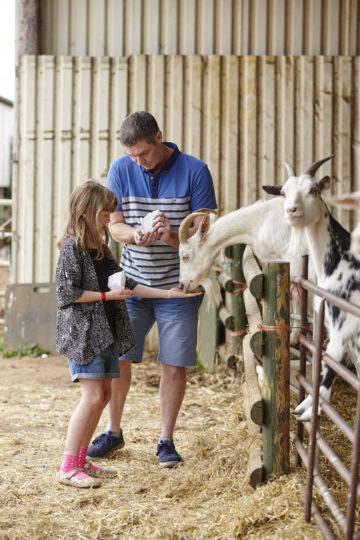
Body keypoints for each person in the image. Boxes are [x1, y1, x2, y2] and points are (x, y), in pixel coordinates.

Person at [87, 111, 217, 467]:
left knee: (173, 364)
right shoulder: (120, 169)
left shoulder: (195, 171)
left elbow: (206, 237)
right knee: (119, 360)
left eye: (143, 154)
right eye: (131, 156)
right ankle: (113, 433)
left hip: (181, 285)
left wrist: (169, 236)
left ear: (159, 137)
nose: (137, 162)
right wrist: (137, 236)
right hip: (132, 284)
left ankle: (166, 441)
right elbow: (115, 228)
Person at [55, 180, 199, 488]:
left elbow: (126, 283)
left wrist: (166, 295)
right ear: (85, 212)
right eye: (105, 213)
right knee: (92, 396)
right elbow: (68, 294)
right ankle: (67, 466)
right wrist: (108, 298)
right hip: (84, 335)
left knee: (104, 395)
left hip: (105, 332)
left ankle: (82, 462)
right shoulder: (72, 247)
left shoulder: (101, 248)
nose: (110, 219)